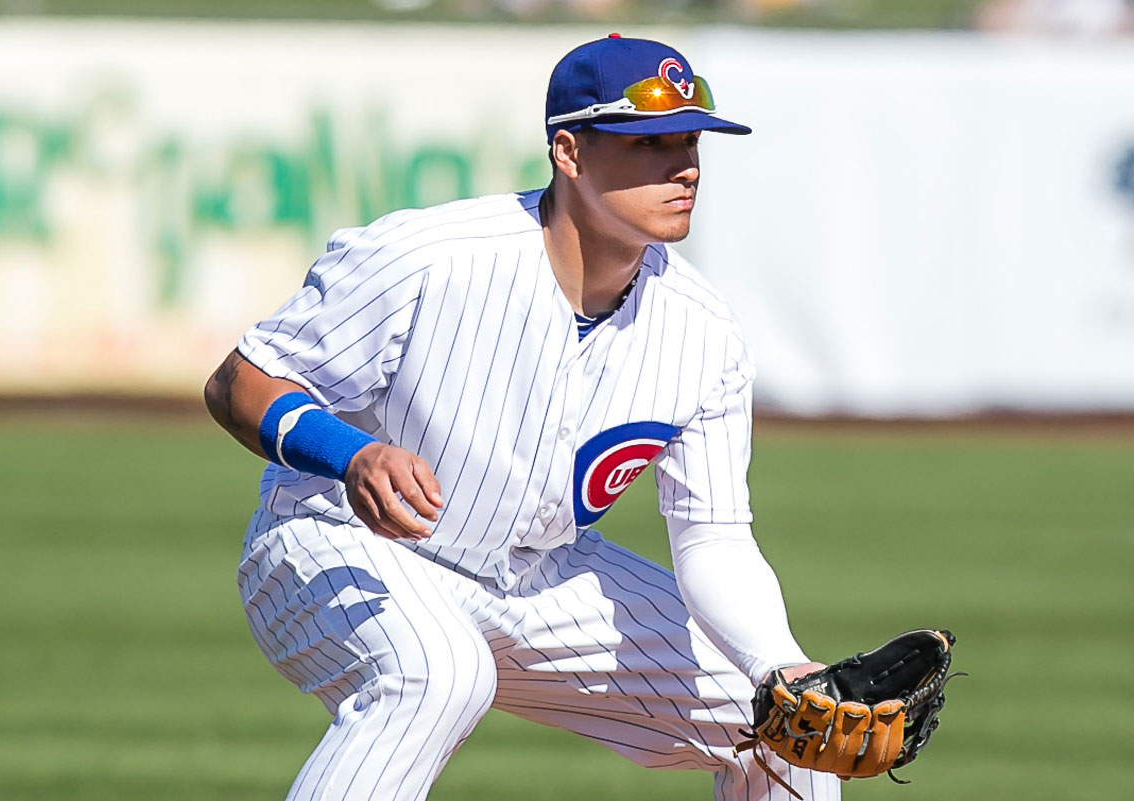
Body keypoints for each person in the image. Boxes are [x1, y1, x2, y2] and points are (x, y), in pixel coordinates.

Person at [204, 34, 840, 801]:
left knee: (792, 727)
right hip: (334, 538)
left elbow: (713, 535)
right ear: (569, 152)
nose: (684, 166)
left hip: (537, 575)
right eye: (649, 143)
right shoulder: (430, 257)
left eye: (690, 140)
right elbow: (238, 380)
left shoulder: (704, 332)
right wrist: (350, 453)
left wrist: (780, 663)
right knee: (439, 674)